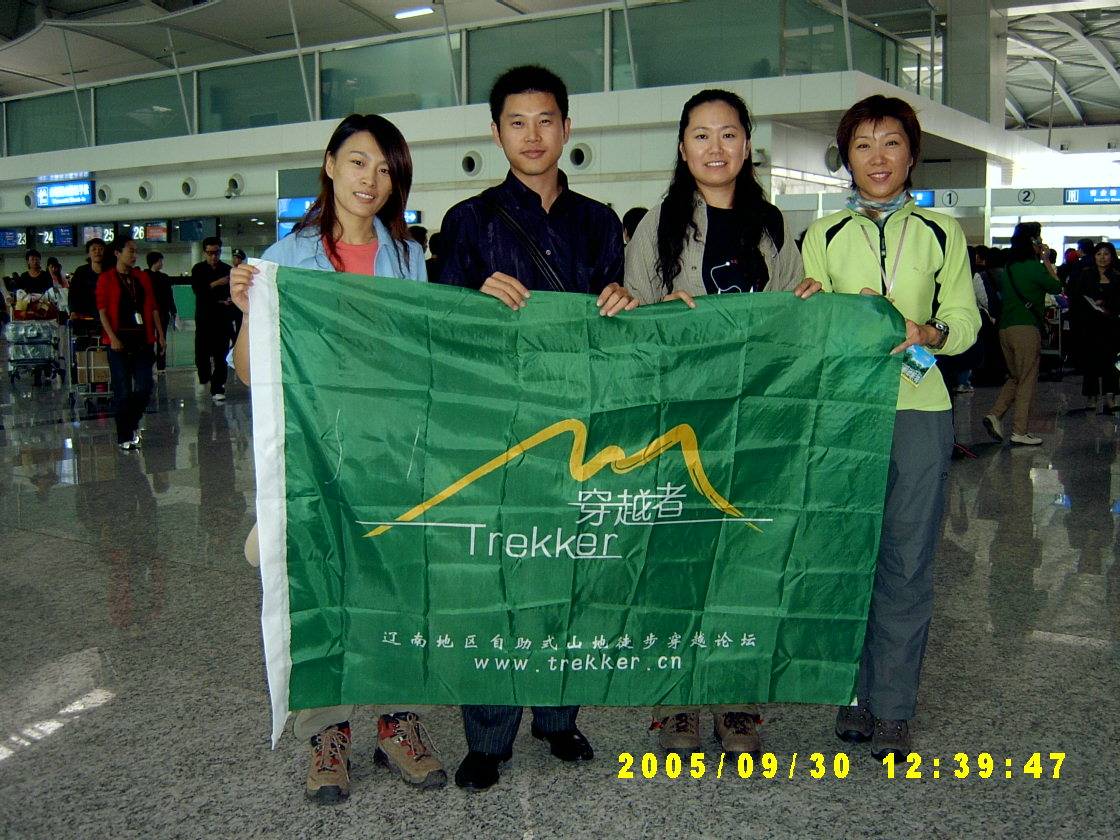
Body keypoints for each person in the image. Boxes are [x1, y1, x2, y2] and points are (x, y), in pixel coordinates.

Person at [436, 64, 636, 792]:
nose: (532, 135)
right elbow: (440, 330)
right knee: (495, 578)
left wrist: (620, 300)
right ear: (497, 133)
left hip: (578, 426)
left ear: (567, 128)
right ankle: (488, 735)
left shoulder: (599, 222)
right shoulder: (467, 222)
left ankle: (558, 717)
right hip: (498, 428)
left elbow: (614, 331)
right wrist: (470, 295)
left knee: (570, 571)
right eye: (516, 122)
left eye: (545, 120)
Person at [230, 113, 435, 805]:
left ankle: (399, 720)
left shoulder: (406, 258)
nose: (370, 179)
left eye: (385, 169)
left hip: (392, 453)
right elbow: (250, 372)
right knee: (321, 587)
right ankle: (326, 731)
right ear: (330, 164)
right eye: (358, 162)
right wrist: (249, 310)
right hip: (316, 454)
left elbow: (419, 357)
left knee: (397, 582)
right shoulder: (286, 258)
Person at [624, 88, 820, 758]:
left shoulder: (772, 225)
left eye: (729, 133)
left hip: (755, 422)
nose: (716, 147)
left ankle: (738, 699)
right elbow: (634, 327)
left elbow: (792, 322)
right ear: (683, 148)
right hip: (680, 423)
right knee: (676, 561)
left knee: (745, 557)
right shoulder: (656, 226)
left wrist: (805, 301)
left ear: (747, 145)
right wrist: (657, 315)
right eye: (701, 135)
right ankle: (675, 701)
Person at [800, 94, 980, 759]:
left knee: (908, 559)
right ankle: (851, 692)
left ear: (912, 153)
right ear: (846, 158)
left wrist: (931, 331)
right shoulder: (822, 236)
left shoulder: (941, 232)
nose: (878, 158)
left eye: (892, 143)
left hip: (919, 409)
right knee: (847, 555)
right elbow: (811, 331)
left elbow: (965, 319)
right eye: (863, 145)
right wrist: (820, 311)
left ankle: (895, 705)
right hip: (845, 413)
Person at [982, 222, 1061, 445]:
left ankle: (995, 415)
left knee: (1016, 376)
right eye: (1039, 238)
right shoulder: (1034, 267)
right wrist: (1046, 259)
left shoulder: (1009, 268)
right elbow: (1057, 287)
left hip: (1005, 329)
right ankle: (1020, 431)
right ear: (1033, 241)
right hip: (1026, 328)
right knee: (1027, 379)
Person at [95, 235, 164, 452]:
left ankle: (130, 422)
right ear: (117, 253)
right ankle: (124, 434)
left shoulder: (141, 278)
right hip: (119, 342)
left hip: (142, 339)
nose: (134, 255)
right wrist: (112, 337)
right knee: (122, 389)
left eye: (135, 251)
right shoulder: (106, 279)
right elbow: (102, 311)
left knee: (145, 386)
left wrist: (161, 335)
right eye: (130, 251)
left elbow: (153, 307)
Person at [1069, 241, 1120, 412]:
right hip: (1090, 325)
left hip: (1111, 325)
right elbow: (1077, 297)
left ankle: (1110, 396)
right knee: (1090, 361)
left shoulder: (1117, 276)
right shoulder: (1086, 275)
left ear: (1112, 256)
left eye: (1106, 254)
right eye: (1099, 254)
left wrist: (1106, 303)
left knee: (1111, 361)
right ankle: (1091, 396)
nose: (1102, 258)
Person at [190, 236, 234, 401]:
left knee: (221, 355)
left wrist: (229, 300)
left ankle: (218, 387)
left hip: (222, 319)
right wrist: (217, 283)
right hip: (204, 318)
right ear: (204, 253)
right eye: (210, 253)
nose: (213, 256)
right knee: (201, 354)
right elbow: (199, 291)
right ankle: (204, 375)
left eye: (216, 253)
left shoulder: (227, 270)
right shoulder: (198, 269)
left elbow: (233, 292)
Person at [146, 251, 177, 373]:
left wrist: (173, 310)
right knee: (156, 337)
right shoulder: (148, 277)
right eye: (160, 261)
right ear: (155, 262)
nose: (162, 263)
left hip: (161, 312)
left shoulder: (161, 277)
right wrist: (173, 310)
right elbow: (169, 296)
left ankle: (160, 364)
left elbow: (169, 296)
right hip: (155, 312)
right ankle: (156, 364)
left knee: (161, 338)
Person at [69, 238, 108, 319]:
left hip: (106, 315)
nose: (97, 251)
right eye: (94, 249)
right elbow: (73, 294)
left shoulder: (110, 272)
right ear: (88, 253)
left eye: (101, 249)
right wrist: (73, 311)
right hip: (85, 315)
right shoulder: (81, 272)